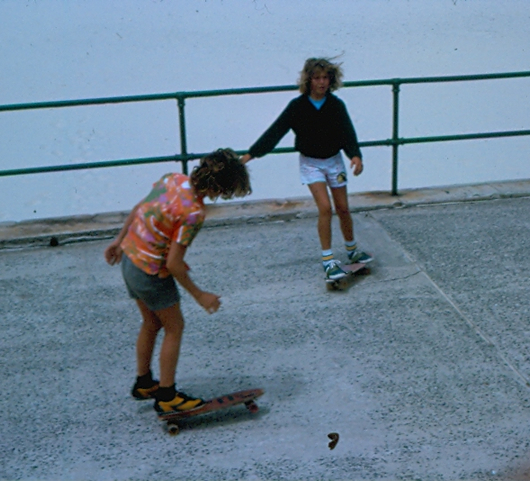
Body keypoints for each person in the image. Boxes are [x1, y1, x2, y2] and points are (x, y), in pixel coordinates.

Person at [104, 148, 251, 414]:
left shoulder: (172, 179)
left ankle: (144, 382)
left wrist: (118, 240)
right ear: (222, 188)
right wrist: (200, 295)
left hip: (129, 259)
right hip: (150, 274)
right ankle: (167, 395)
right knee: (174, 327)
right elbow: (173, 264)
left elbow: (141, 210)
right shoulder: (194, 213)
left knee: (150, 322)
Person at [241, 57, 373, 282]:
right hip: (311, 163)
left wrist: (356, 156)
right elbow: (275, 132)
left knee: (342, 208)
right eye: (317, 78)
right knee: (324, 207)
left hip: (334, 162)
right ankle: (328, 260)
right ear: (308, 80)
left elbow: (347, 133)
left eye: (325, 78)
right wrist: (250, 154)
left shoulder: (336, 105)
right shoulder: (297, 106)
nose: (321, 82)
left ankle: (352, 250)